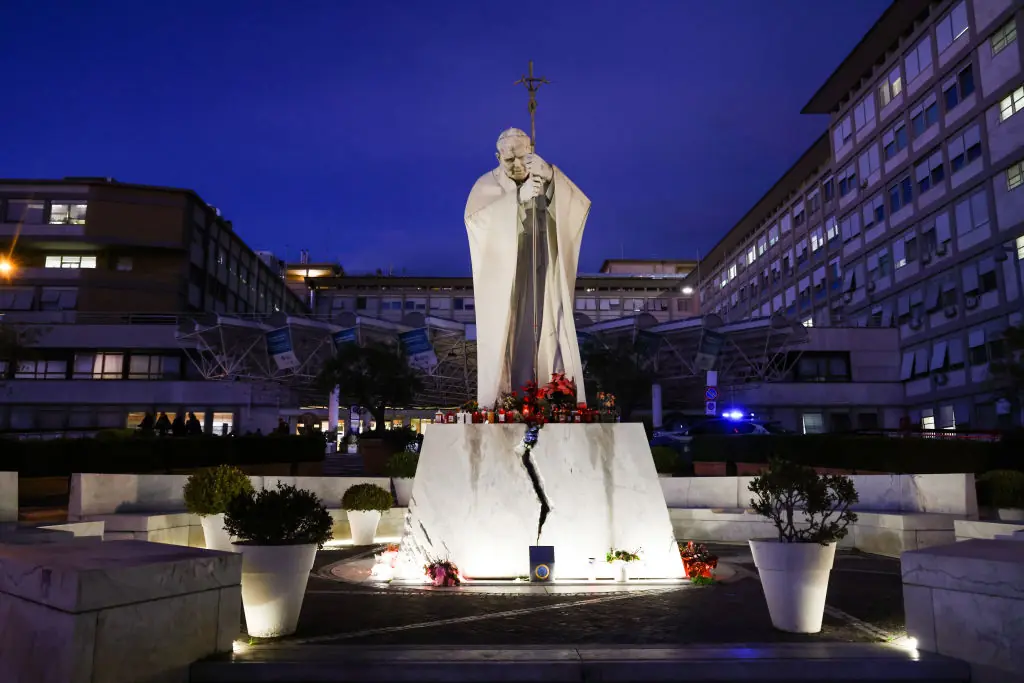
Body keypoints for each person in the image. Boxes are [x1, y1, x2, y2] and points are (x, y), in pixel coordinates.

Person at [464, 127, 591, 408]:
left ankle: (554, 391)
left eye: (523, 157)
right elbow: (475, 223)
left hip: (543, 264)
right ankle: (506, 397)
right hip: (507, 275)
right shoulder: (485, 185)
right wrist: (516, 200)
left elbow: (579, 206)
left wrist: (551, 179)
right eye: (509, 160)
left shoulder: (543, 175)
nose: (517, 165)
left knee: (549, 322)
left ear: (531, 152)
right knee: (511, 330)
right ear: (498, 157)